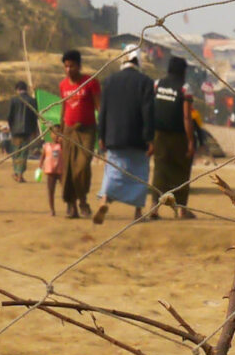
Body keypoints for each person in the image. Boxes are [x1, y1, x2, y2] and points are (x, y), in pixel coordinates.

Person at [94, 47, 155, 224]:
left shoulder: (110, 81)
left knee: (113, 171)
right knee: (139, 174)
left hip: (114, 136)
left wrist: (101, 135)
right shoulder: (145, 82)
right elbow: (148, 112)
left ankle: (104, 200)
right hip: (138, 137)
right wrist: (150, 138)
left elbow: (103, 110)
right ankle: (137, 212)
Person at [147, 55, 200, 220]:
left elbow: (150, 110)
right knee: (182, 171)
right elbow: (186, 117)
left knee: (160, 169)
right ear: (183, 71)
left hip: (159, 135)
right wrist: (191, 141)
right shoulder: (184, 88)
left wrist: (149, 137)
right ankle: (182, 210)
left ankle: (154, 209)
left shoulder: (157, 84)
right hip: (179, 136)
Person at [54, 50, 98, 220]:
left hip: (87, 131)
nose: (68, 69)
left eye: (71, 65)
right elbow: (64, 109)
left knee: (82, 167)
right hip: (68, 131)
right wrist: (59, 131)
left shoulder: (91, 82)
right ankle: (71, 205)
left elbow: (98, 106)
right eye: (65, 66)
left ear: (79, 65)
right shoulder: (63, 85)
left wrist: (104, 130)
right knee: (68, 170)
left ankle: (83, 200)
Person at [5, 80, 42, 183]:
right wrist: (34, 130)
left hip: (15, 131)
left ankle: (17, 173)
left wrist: (11, 127)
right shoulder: (32, 101)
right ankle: (19, 174)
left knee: (16, 152)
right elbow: (35, 117)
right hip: (27, 130)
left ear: (17, 89)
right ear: (26, 89)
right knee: (24, 153)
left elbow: (9, 116)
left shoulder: (14, 100)